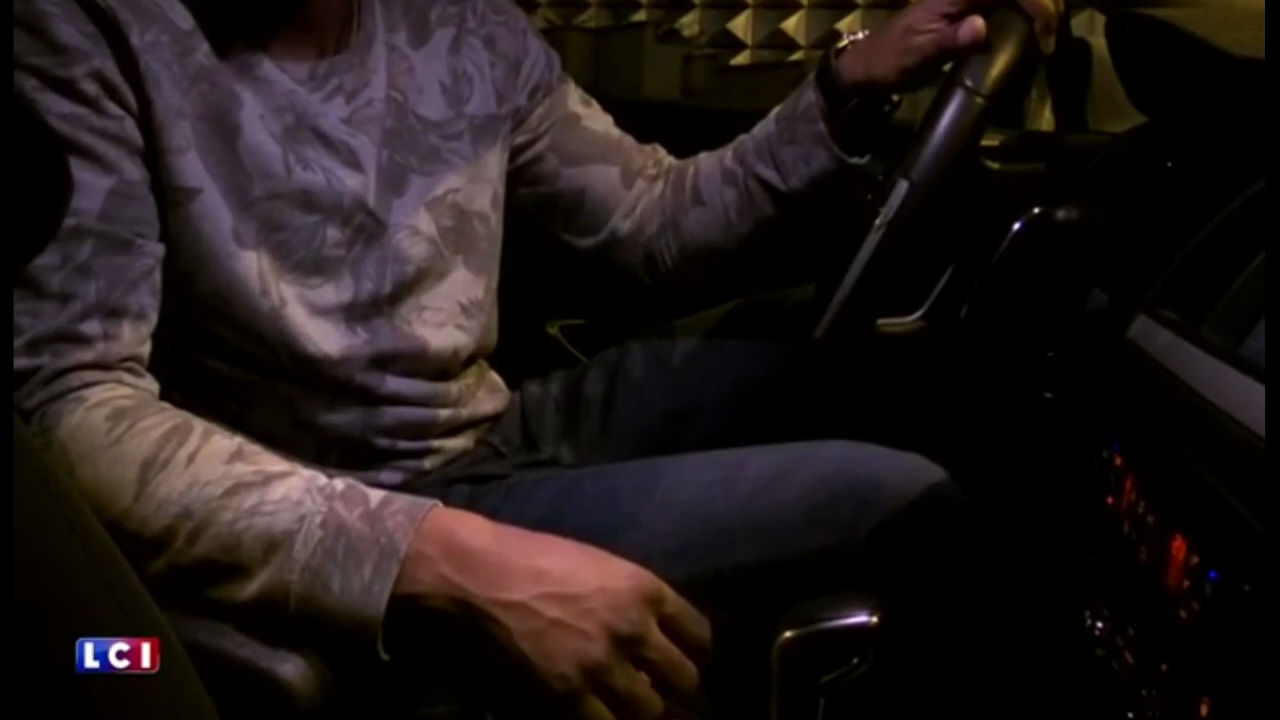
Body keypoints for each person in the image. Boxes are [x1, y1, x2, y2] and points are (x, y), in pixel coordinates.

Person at [14, 0, 1059, 718]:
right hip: (346, 490)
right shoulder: (85, 28)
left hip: (492, 426)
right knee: (903, 507)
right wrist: (447, 559)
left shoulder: (463, 23)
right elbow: (74, 404)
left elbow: (650, 222)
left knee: (914, 386)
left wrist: (844, 84)